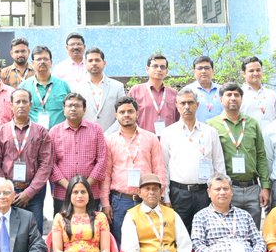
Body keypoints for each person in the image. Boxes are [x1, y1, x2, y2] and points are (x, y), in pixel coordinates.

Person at [102, 96, 167, 242]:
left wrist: (161, 196)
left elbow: (159, 169)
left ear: (137, 113)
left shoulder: (150, 138)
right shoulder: (110, 140)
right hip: (120, 200)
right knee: (122, 242)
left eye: (130, 111)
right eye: (122, 112)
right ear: (116, 115)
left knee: (150, 240)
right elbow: (106, 174)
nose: (126, 115)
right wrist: (105, 203)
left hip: (147, 198)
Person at [161, 92, 225, 232]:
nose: (187, 107)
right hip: (179, 193)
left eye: (190, 103)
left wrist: (219, 191)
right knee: (180, 234)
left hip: (205, 192)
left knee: (206, 232)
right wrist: (165, 196)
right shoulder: (168, 133)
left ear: (197, 105)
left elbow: (219, 164)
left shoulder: (210, 132)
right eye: (183, 103)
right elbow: (164, 167)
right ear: (177, 106)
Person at [0, 88, 53, 233]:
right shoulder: (0, 132)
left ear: (30, 105)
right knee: (7, 232)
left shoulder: (41, 132)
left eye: (25, 101)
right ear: (11, 106)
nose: (21, 105)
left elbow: (46, 165)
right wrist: (6, 190)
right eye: (17, 102)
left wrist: (29, 192)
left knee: (34, 233)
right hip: (7, 193)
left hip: (34, 193)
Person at [209, 83, 270, 226]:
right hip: (228, 188)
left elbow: (261, 156)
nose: (233, 98)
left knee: (252, 232)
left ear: (241, 99)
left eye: (236, 95)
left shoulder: (252, 123)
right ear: (221, 99)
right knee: (228, 231)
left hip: (252, 188)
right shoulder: (211, 125)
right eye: (228, 95)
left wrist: (265, 187)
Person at [50, 93, 109, 204]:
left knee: (90, 221)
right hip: (63, 193)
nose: (73, 109)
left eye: (77, 106)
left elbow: (102, 160)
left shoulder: (96, 130)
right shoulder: (54, 131)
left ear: (84, 109)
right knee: (62, 222)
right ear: (64, 109)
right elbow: (51, 164)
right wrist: (69, 187)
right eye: (69, 106)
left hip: (90, 192)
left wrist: (84, 186)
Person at [72, 47, 125, 131]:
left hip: (111, 137)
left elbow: (123, 112)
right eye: (90, 60)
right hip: (85, 136)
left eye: (97, 60)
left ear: (104, 63)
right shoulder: (77, 88)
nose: (94, 63)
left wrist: (110, 134)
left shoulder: (117, 87)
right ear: (85, 63)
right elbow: (75, 115)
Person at [18, 46, 71, 129]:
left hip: (59, 136)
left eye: (45, 59)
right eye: (38, 59)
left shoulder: (63, 85)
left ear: (51, 62)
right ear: (32, 63)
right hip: (33, 136)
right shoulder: (24, 87)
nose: (42, 62)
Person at [128, 54, 178, 134]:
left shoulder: (174, 94)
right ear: (147, 69)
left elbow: (178, 120)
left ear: (166, 71)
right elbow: (128, 117)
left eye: (162, 67)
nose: (159, 69)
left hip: (168, 141)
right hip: (143, 140)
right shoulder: (136, 91)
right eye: (155, 66)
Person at [239, 56, 276, 125]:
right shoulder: (238, 95)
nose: (255, 73)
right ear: (244, 73)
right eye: (251, 71)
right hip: (248, 135)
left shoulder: (271, 94)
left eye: (258, 70)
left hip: (270, 135)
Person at [181, 56, 223, 124]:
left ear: (213, 70)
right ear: (194, 71)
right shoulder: (187, 91)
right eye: (200, 68)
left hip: (221, 132)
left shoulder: (222, 90)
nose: (203, 71)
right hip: (197, 132)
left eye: (207, 68)